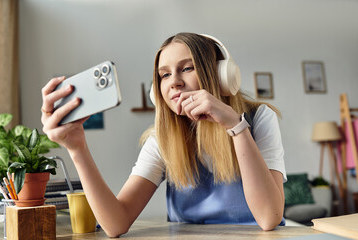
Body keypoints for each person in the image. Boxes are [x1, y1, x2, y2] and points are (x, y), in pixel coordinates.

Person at [41, 32, 286, 237]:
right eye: (165, 75)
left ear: (221, 76)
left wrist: (236, 126)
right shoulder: (161, 140)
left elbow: (268, 218)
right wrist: (77, 148)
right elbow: (115, 223)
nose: (174, 82)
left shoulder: (259, 119)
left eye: (187, 68)